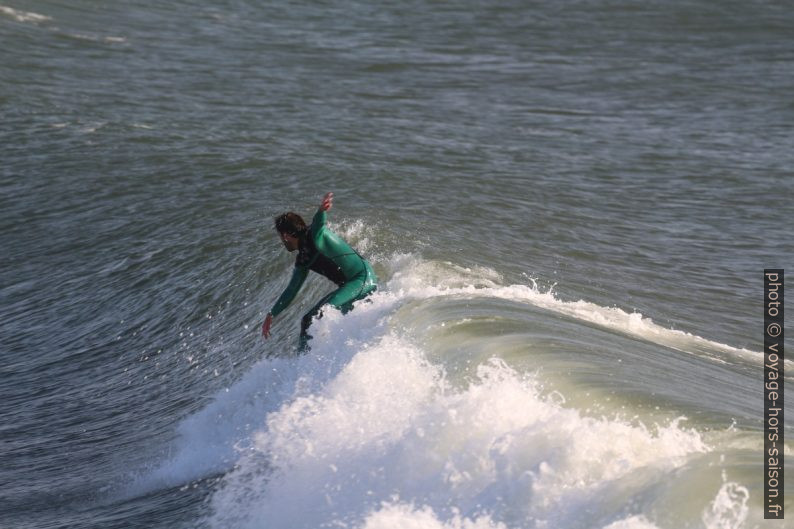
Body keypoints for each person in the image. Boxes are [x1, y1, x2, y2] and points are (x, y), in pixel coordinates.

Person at [262, 192, 377, 350]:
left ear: (285, 235)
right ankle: (305, 365)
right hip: (348, 287)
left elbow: (318, 224)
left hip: (362, 278)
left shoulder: (314, 235)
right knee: (307, 321)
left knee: (323, 314)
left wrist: (321, 210)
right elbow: (292, 289)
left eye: (280, 238)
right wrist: (272, 313)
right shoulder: (303, 259)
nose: (282, 241)